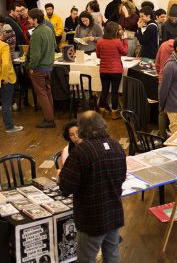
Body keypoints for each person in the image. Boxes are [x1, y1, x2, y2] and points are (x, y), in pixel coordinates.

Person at [58, 111, 127, 263]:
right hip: (114, 214)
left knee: (86, 259)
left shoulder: (81, 151)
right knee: (112, 255)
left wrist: (60, 177)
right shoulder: (116, 146)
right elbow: (122, 178)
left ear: (82, 128)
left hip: (91, 219)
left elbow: (67, 187)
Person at [0, 23, 23, 133]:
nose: (5, 33)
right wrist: (5, 77)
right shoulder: (4, 46)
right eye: (3, 31)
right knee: (6, 103)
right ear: (0, 34)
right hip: (4, 78)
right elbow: (5, 63)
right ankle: (9, 126)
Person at [26, 8, 56, 128]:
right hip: (48, 67)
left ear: (35, 20)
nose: (28, 21)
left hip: (39, 68)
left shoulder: (36, 33)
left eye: (29, 19)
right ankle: (50, 116)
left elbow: (36, 55)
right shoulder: (48, 29)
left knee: (42, 94)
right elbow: (54, 45)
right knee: (47, 92)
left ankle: (49, 119)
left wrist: (31, 67)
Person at [96, 22, 128, 119]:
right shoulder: (117, 42)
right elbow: (125, 52)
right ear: (114, 31)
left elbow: (98, 55)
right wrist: (125, 39)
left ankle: (101, 112)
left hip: (104, 71)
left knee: (104, 91)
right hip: (116, 71)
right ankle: (114, 113)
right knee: (114, 92)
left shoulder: (100, 41)